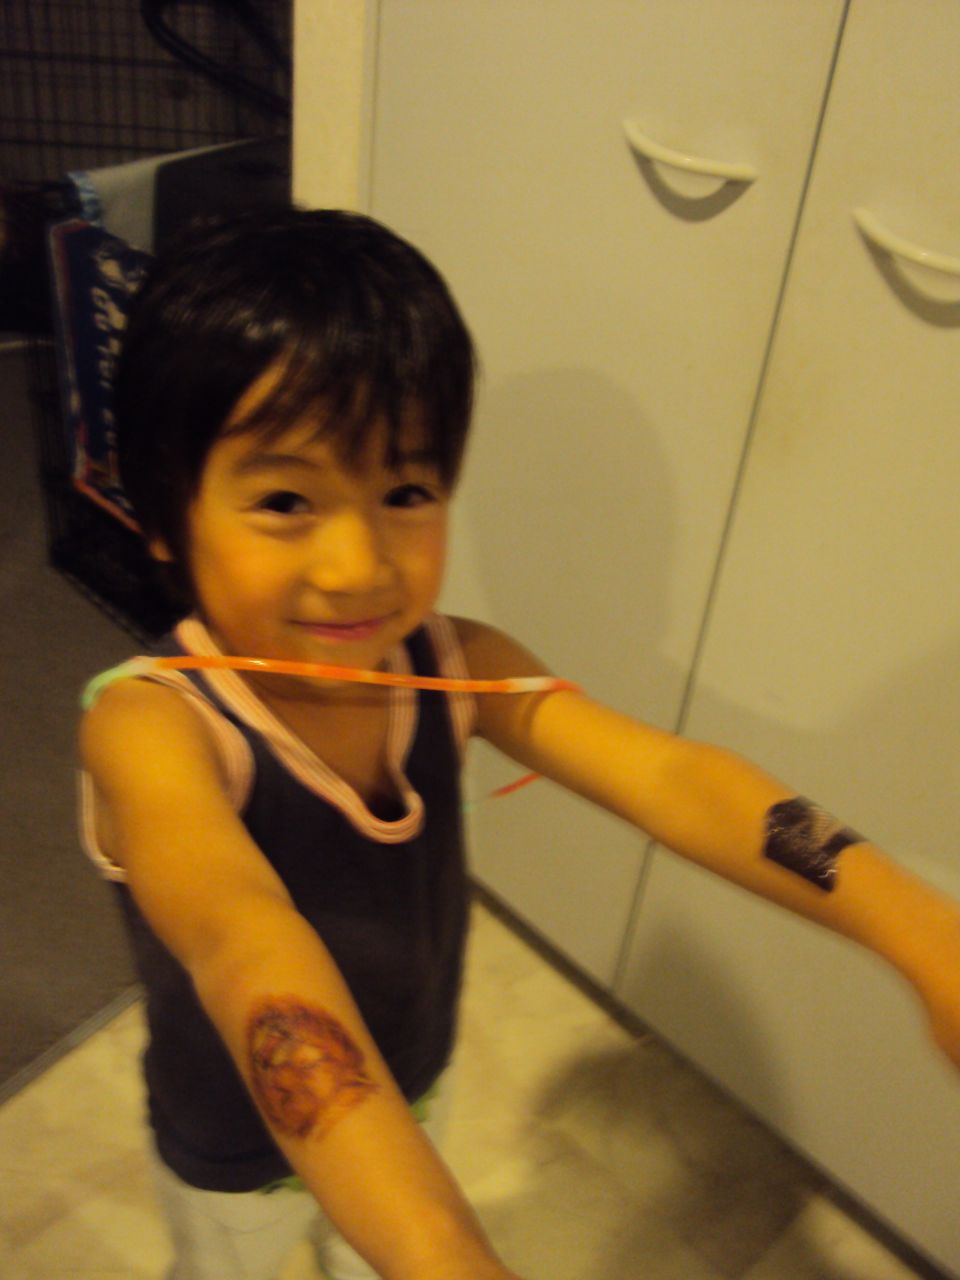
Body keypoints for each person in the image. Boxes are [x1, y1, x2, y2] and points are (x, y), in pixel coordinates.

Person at [79, 207, 960, 1280]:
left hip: (412, 1088)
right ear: (162, 517)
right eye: (285, 500)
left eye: (405, 492)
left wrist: (921, 929)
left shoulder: (459, 664)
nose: (359, 564)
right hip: (238, 1148)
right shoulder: (150, 726)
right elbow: (242, 937)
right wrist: (447, 1250)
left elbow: (674, 777)